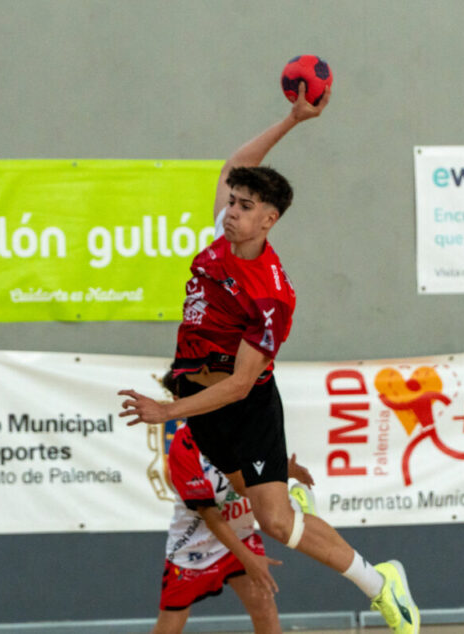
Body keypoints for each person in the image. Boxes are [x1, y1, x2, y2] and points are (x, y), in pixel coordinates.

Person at [120, 83, 420, 634]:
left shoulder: (271, 296)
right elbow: (237, 163)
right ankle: (285, 484)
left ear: (269, 220)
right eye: (232, 202)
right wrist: (293, 119)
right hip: (202, 404)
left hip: (243, 406)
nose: (231, 212)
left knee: (276, 522)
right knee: (258, 495)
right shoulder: (221, 239)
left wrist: (167, 412)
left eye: (245, 207)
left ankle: (381, 585)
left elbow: (240, 385)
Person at [153, 370, 317, 634]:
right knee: (169, 627)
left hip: (241, 536)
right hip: (194, 548)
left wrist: (285, 470)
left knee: (264, 610)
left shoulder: (239, 426)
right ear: (178, 400)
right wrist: (248, 558)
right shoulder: (183, 445)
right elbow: (209, 512)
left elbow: (258, 467)